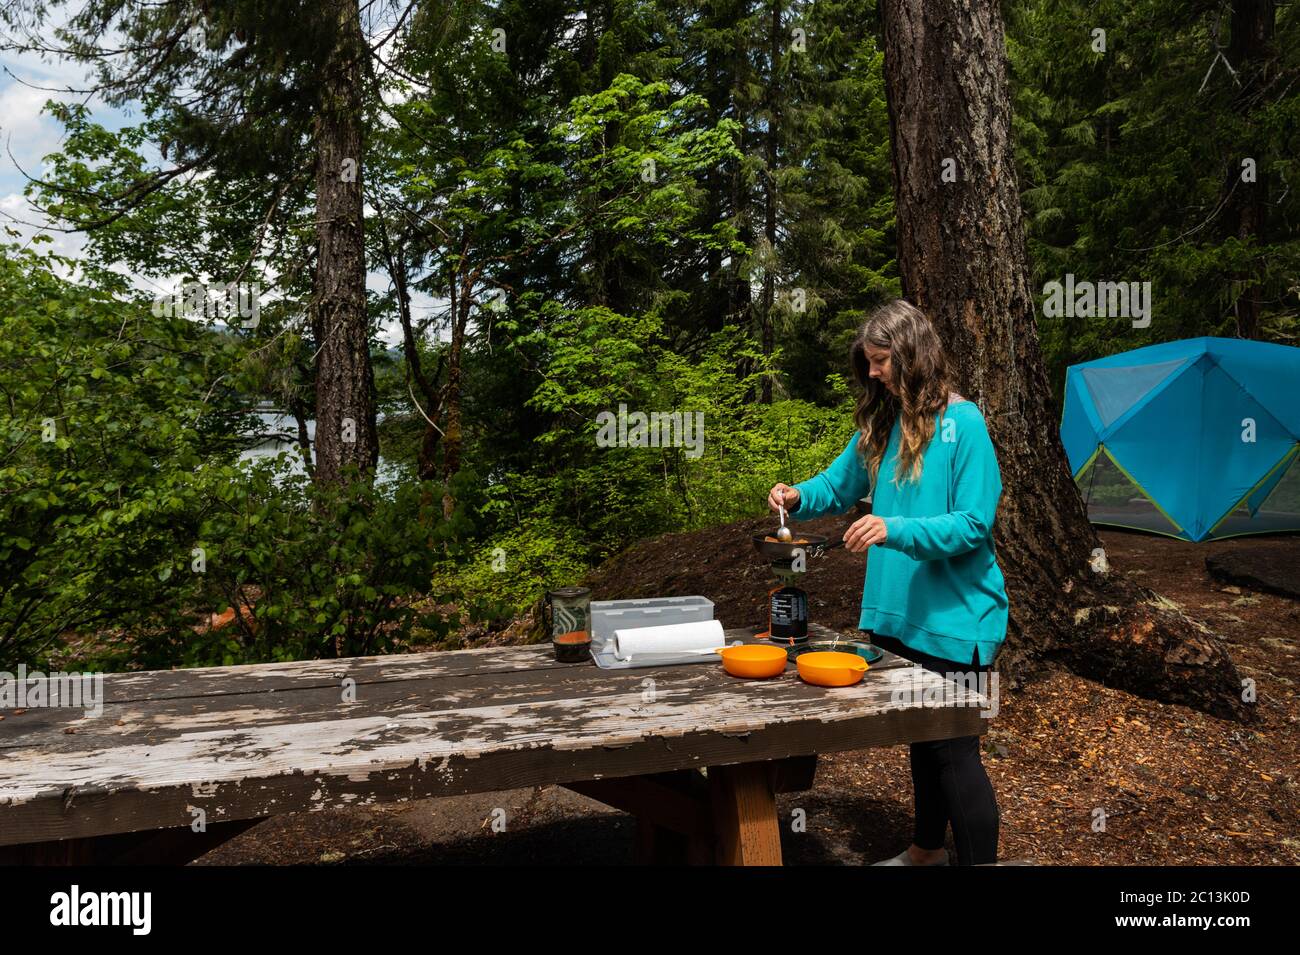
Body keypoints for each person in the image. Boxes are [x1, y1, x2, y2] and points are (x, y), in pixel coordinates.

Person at [767, 298, 1008, 866]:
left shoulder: (963, 423)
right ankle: (926, 851)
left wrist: (891, 527)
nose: (872, 372)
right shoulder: (882, 423)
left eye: (881, 361)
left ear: (912, 354)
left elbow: (974, 524)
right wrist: (799, 497)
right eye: (869, 362)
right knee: (923, 742)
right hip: (898, 613)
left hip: (955, 618)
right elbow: (838, 482)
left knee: (953, 751)